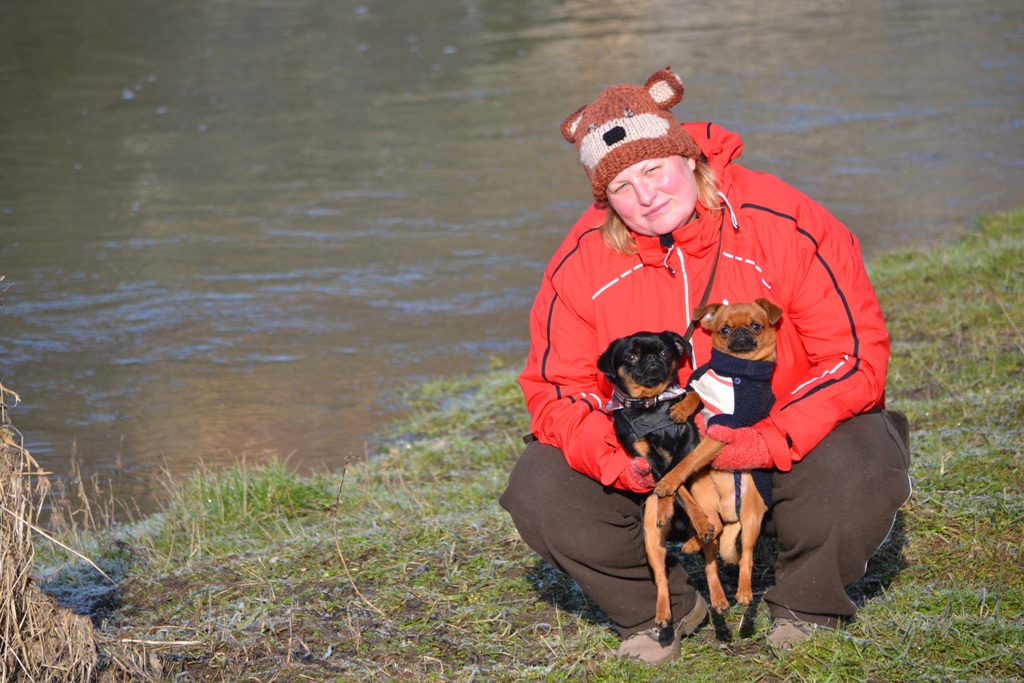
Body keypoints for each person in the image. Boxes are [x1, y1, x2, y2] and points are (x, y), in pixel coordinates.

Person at [499, 68, 912, 664]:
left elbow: (853, 359)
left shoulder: (785, 219)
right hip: (661, 451)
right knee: (539, 489)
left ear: (687, 157)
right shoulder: (580, 260)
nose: (645, 196)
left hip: (785, 438)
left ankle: (807, 605)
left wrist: (765, 441)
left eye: (653, 169)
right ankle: (661, 608)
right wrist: (620, 462)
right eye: (620, 187)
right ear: (603, 197)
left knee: (864, 462)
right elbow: (558, 392)